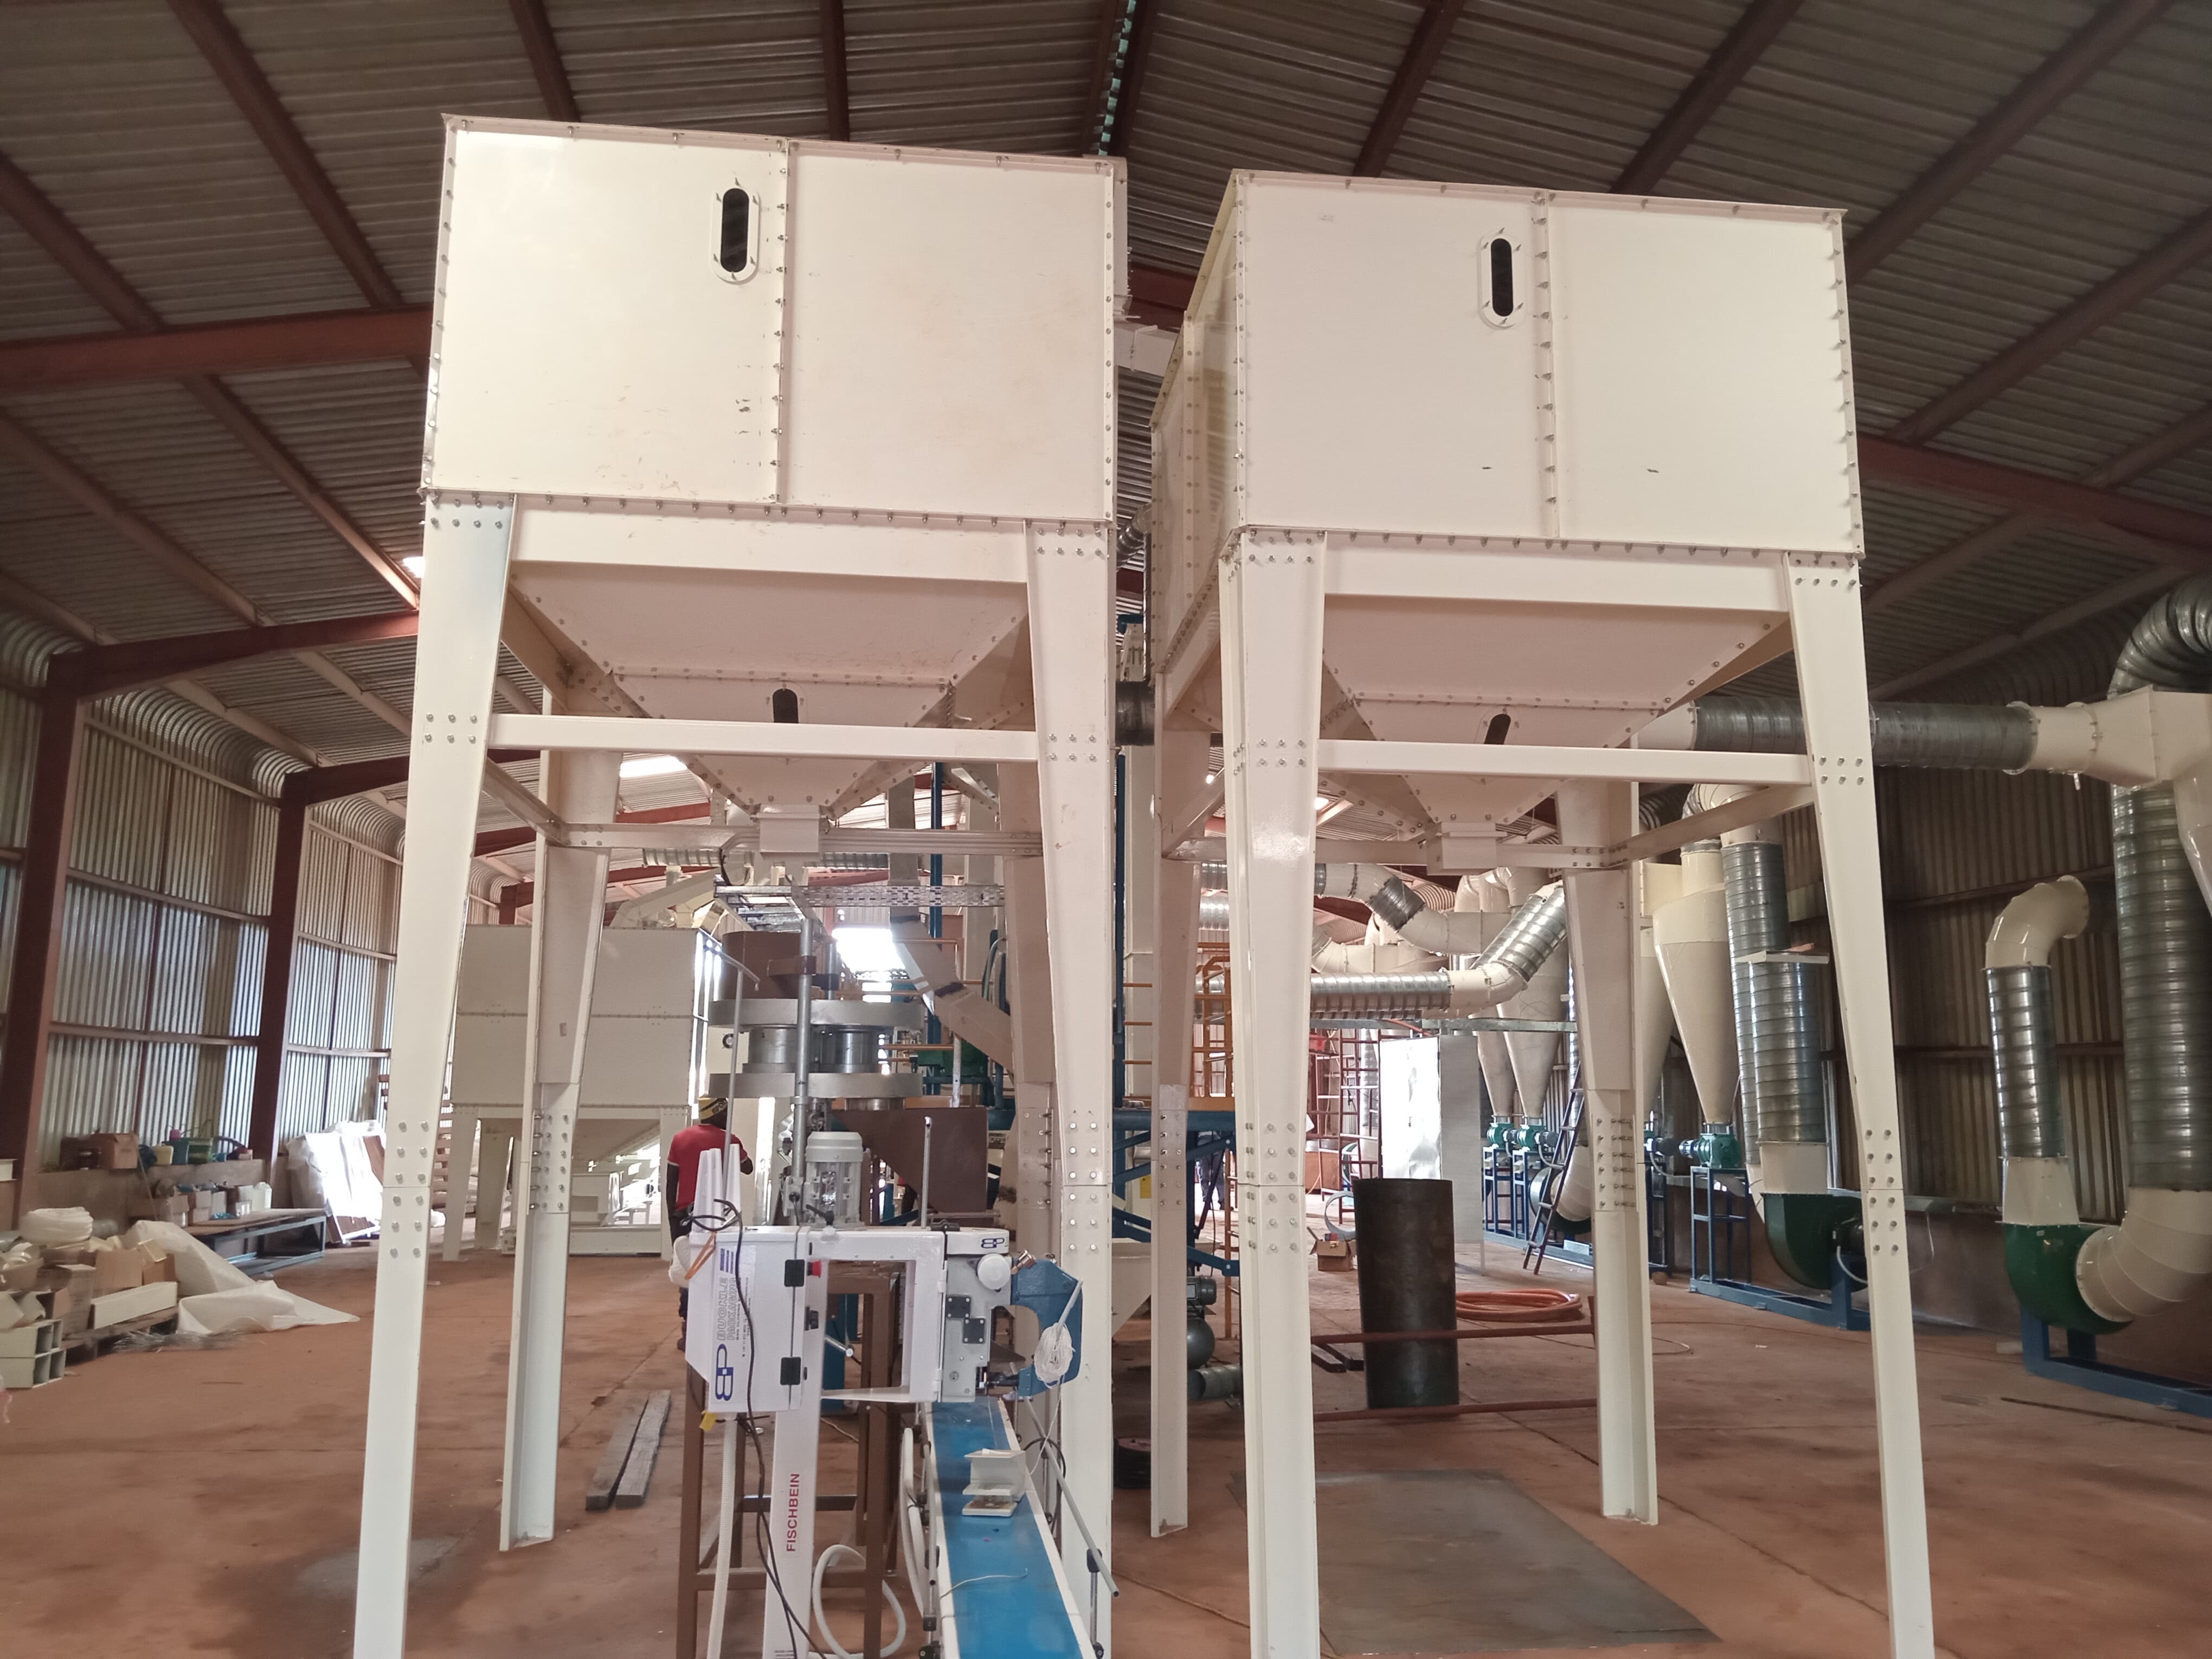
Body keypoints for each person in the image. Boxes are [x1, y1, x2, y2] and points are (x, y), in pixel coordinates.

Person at [667, 1095, 752, 1240]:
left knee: (685, 1254)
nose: (728, 1118)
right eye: (725, 1113)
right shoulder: (728, 1140)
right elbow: (748, 1168)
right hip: (717, 1215)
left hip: (684, 1215)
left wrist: (672, 1218)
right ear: (715, 1114)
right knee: (712, 1254)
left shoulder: (680, 1138)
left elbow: (671, 1182)